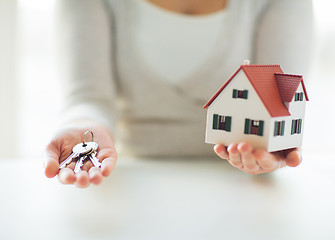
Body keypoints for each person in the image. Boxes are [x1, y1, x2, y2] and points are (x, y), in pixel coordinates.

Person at [44, 0, 314, 188]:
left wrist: (277, 148)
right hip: (129, 182)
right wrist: (81, 124)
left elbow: (280, 98)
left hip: (247, 189)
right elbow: (89, 97)